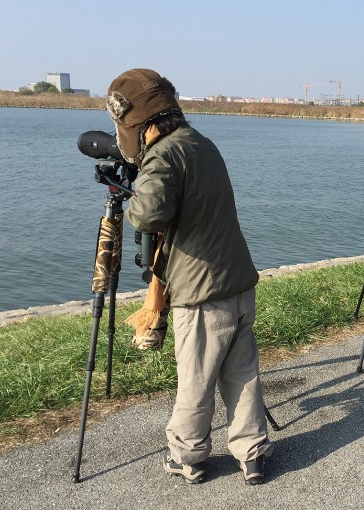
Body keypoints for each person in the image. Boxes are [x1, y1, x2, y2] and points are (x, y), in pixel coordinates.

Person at [107, 69, 273, 484]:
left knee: (196, 379)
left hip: (201, 291)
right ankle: (251, 453)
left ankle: (187, 455)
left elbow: (147, 215)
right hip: (237, 279)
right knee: (242, 372)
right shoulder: (201, 143)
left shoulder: (163, 155)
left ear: (137, 126)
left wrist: (131, 192)